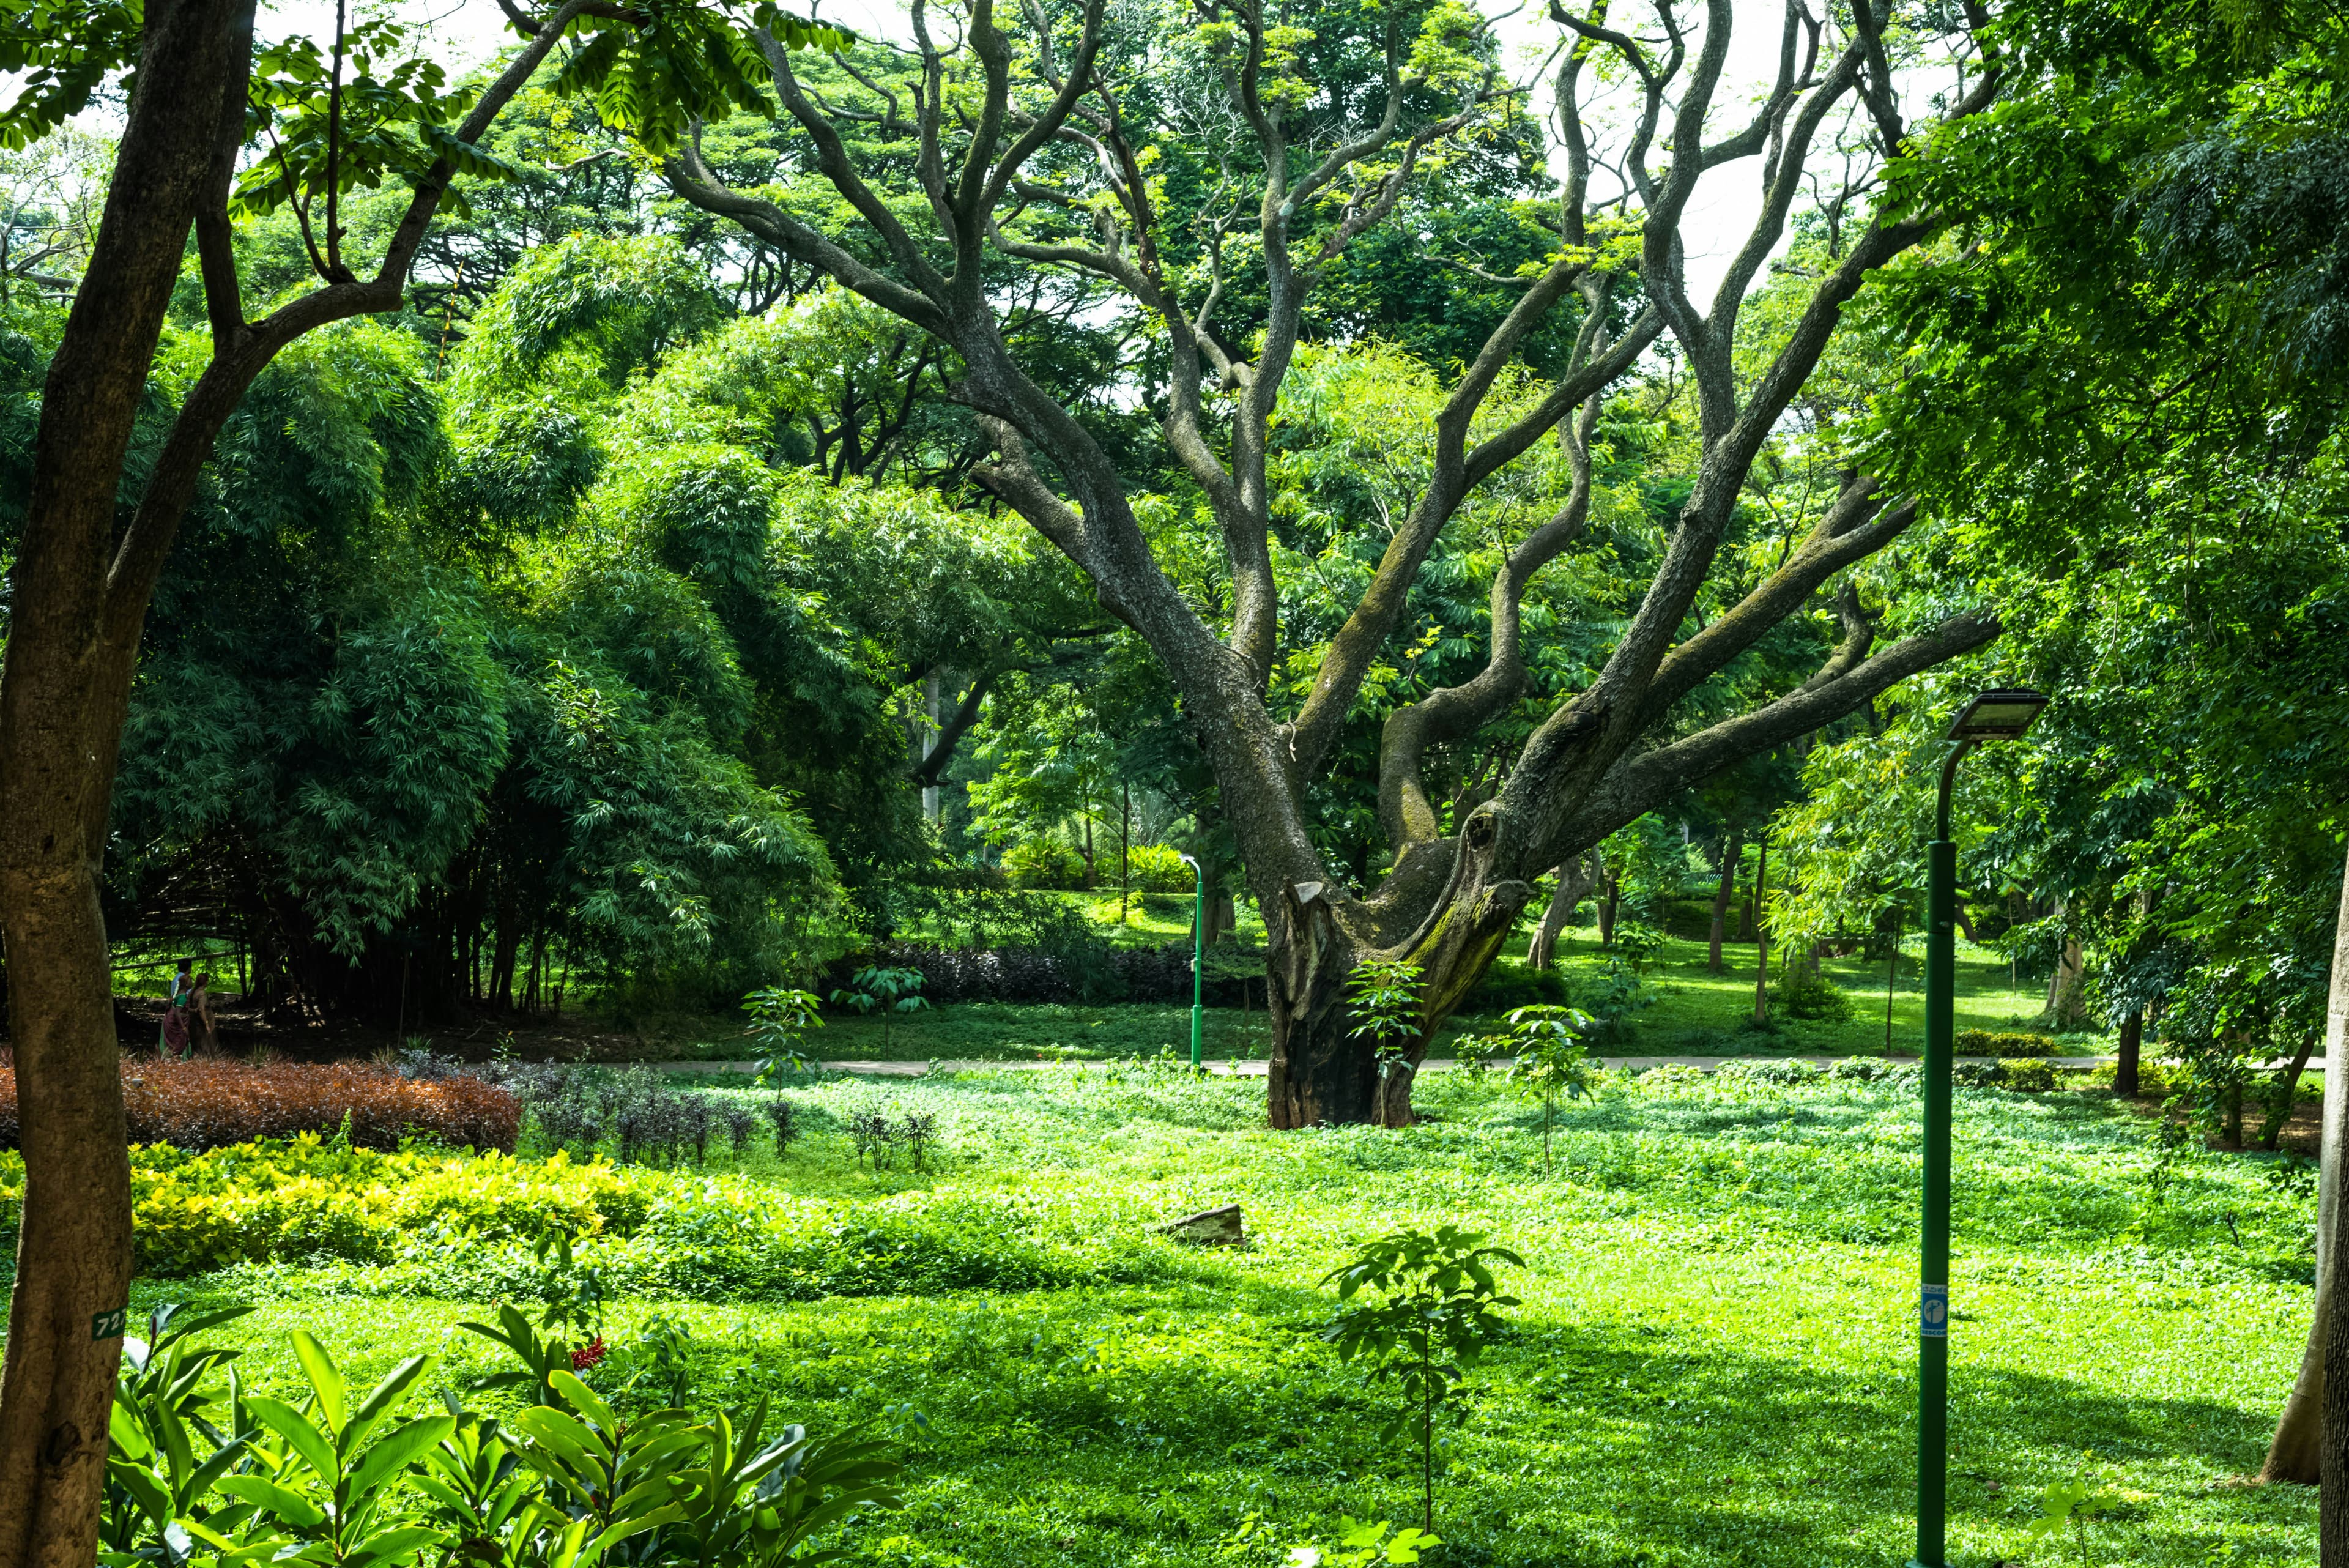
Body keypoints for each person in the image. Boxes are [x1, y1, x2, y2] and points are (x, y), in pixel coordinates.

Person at [158, 959, 192, 1058]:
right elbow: (179, 1009)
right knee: (179, 1039)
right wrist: (184, 1027)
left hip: (175, 1010)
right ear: (189, 968)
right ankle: (179, 1059)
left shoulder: (176, 978)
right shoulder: (183, 983)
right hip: (178, 1014)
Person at [190, 972, 216, 1056]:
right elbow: (201, 1009)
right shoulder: (201, 993)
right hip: (201, 1022)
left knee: (198, 1042)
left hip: (195, 1021)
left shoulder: (194, 992)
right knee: (205, 1042)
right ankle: (207, 1058)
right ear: (205, 982)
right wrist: (206, 1024)